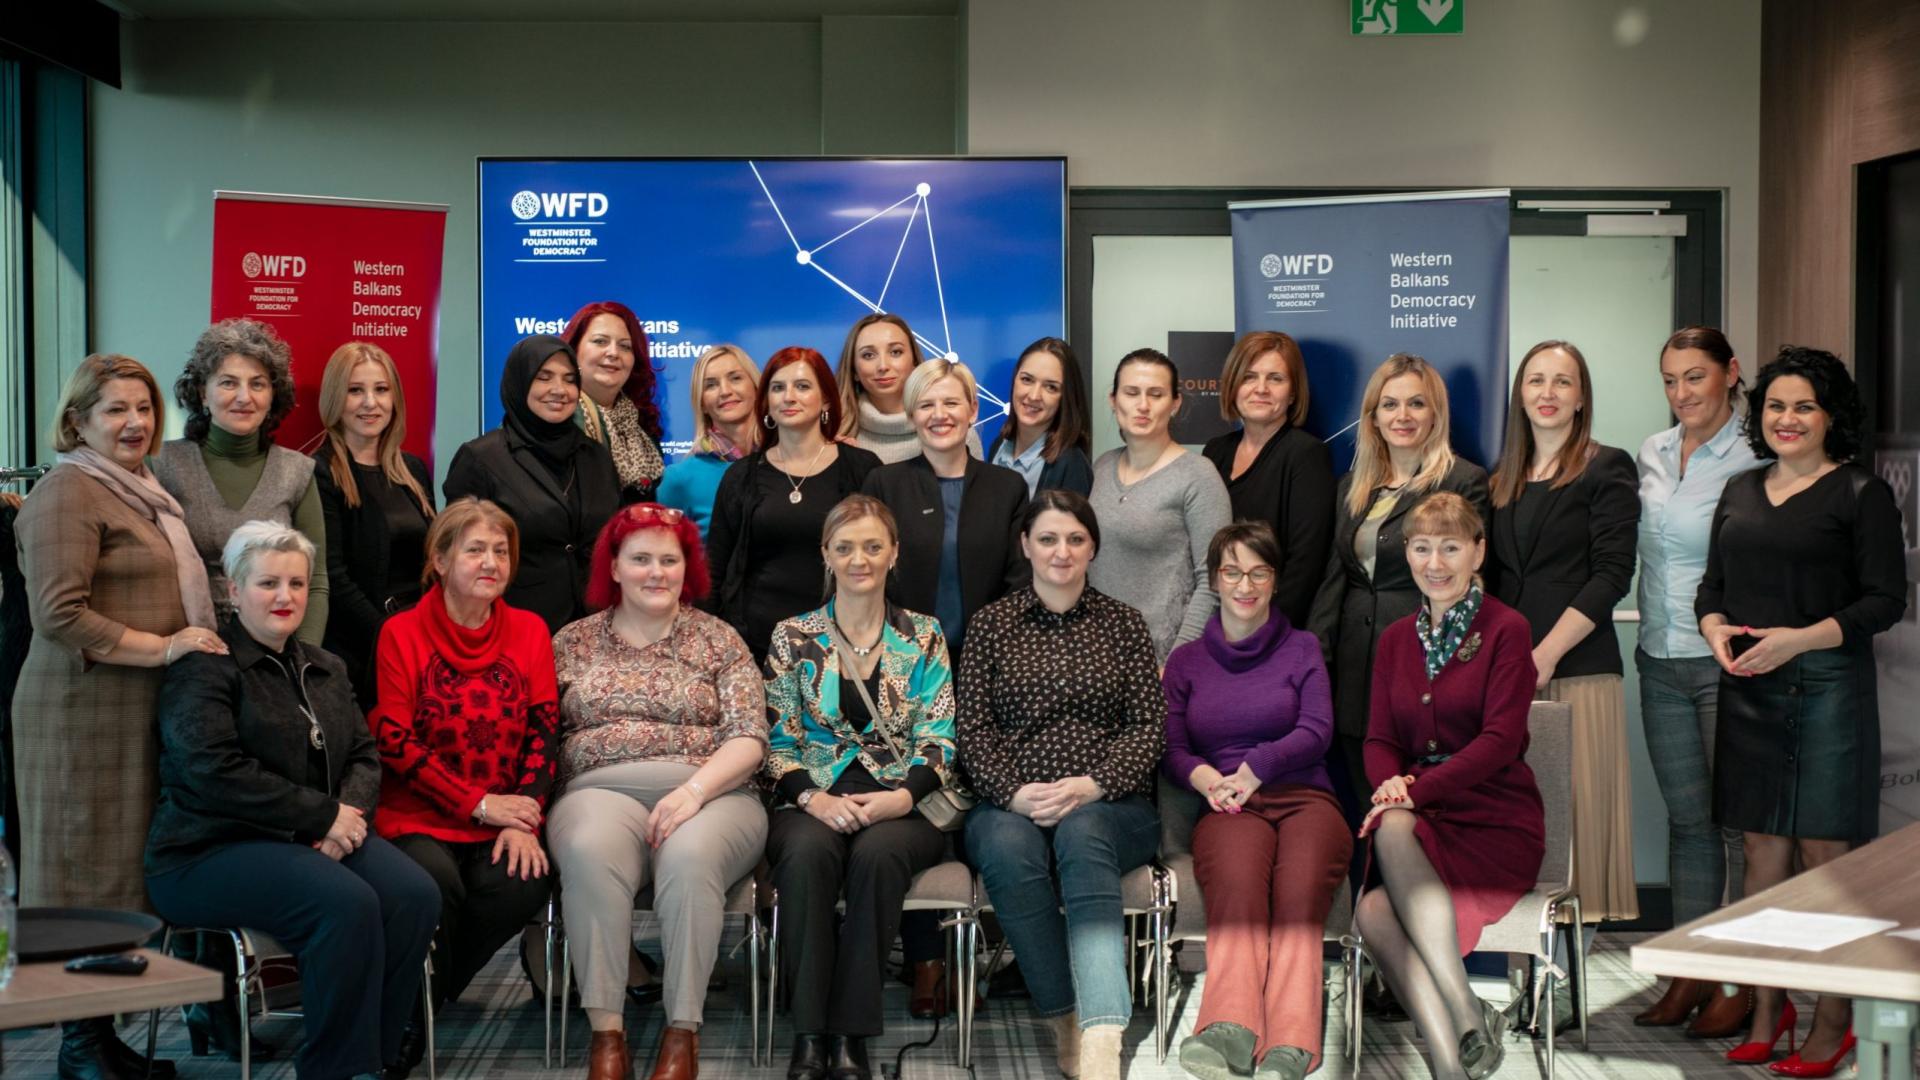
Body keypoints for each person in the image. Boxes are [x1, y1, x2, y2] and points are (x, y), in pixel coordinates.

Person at [146, 520, 439, 1080]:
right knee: (345, 902)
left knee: (414, 895)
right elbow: (213, 771)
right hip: (206, 851)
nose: (285, 597)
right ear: (234, 591)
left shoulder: (326, 666)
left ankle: (374, 1056)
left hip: (311, 837)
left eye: (298, 584)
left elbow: (363, 755)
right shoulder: (205, 667)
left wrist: (344, 820)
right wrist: (323, 816)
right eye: (268, 584)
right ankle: (334, 1068)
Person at [1697, 346, 1907, 1076]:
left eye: (1804, 407)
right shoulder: (1740, 490)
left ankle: (1834, 1021)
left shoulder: (1859, 494)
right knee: (1762, 856)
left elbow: (1885, 602)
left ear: (1830, 418)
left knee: (1825, 860)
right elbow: (1711, 590)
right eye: (1776, 406)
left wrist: (1797, 642)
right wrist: (1714, 629)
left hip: (1827, 693)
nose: (1787, 419)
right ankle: (1766, 1007)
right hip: (1749, 689)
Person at [13, 354, 224, 1078]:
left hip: (133, 707)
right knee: (77, 875)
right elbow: (58, 614)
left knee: (119, 875)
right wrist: (165, 647)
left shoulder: (141, 490)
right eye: (115, 410)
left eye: (144, 409)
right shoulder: (66, 494)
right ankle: (77, 1045)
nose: (135, 423)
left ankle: (100, 1037)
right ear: (78, 421)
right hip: (80, 712)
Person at [546, 503, 769, 1080]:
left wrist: (694, 792)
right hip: (597, 791)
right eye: (640, 559)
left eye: (669, 560)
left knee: (690, 857)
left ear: (686, 569)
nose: (656, 572)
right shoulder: (571, 642)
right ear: (614, 567)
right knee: (591, 852)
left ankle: (681, 1030)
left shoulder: (719, 639)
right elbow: (541, 735)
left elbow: (749, 738)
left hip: (714, 793)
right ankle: (607, 1034)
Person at [958, 490, 1166, 1080]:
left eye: (1075, 538)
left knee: (1082, 834)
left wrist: (1093, 785)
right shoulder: (991, 625)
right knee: (1004, 845)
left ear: (1093, 546)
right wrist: (1014, 793)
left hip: (1111, 805)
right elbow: (972, 728)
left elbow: (1148, 728)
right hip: (1010, 802)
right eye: (1047, 538)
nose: (1061, 550)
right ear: (1025, 545)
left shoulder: (1123, 623)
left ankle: (1101, 1039)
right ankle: (1063, 1016)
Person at [763, 495, 956, 1080]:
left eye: (873, 546)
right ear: (826, 554)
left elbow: (941, 738)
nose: (859, 559)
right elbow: (777, 742)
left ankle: (850, 1033)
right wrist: (811, 798)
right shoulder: (792, 637)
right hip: (811, 796)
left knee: (875, 859)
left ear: (894, 553)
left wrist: (903, 797)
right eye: (844, 547)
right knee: (803, 856)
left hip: (902, 800)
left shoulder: (924, 636)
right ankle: (808, 1034)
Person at [1356, 491, 1544, 1080]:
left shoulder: (1507, 629)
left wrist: (1408, 794)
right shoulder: (1394, 639)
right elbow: (1378, 738)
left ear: (1478, 552)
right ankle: (1450, 1058)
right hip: (1423, 815)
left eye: (1450, 546)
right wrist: (1391, 784)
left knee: (1390, 831)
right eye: (1421, 547)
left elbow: (1501, 742)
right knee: (1372, 911)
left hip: (1494, 815)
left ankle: (1464, 1009)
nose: (1434, 562)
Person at [369, 498, 559, 1066]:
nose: (491, 562)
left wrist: (526, 814)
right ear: (440, 559)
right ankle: (409, 1015)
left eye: (501, 551)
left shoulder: (529, 630)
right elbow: (396, 742)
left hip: (504, 813)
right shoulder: (400, 633)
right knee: (435, 883)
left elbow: (543, 733)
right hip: (420, 814)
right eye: (475, 549)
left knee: (524, 883)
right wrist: (479, 805)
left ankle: (424, 994)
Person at [1485, 340, 1641, 1016]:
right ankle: (1523, 983)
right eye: (1536, 380)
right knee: (1525, 829)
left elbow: (1612, 574)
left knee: (1580, 827)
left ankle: (1565, 990)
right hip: (1509, 680)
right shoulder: (1505, 477)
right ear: (1520, 393)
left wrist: (1543, 654)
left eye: (1563, 381)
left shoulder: (1608, 467)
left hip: (1575, 671)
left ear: (1581, 397)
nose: (1548, 392)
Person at [1164, 521, 1350, 1080]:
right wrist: (1207, 780)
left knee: (1297, 896)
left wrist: (1255, 768)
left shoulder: (1302, 647)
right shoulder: (1186, 661)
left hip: (1305, 799)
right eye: (1233, 571)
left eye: (1258, 572)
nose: (1245, 584)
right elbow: (1171, 747)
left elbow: (1317, 728)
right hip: (1226, 804)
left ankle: (1291, 1042)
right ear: (1216, 580)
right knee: (1240, 888)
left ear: (1274, 579)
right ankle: (1230, 1029)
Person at [1631, 326, 1761, 1035]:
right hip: (1658, 657)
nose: (1683, 394)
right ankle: (1688, 974)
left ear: (1730, 374)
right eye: (1671, 380)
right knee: (1689, 828)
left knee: (1737, 830)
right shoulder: (1652, 452)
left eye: (1696, 378)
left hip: (1729, 665)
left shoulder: (1757, 455)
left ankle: (1740, 983)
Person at [1309, 353, 1491, 813]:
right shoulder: (1353, 485)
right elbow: (1336, 577)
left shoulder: (1462, 481)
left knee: (1416, 804)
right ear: (1372, 417)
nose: (1402, 416)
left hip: (1422, 666)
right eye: (1389, 405)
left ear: (1435, 414)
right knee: (1358, 801)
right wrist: (1315, 658)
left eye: (1416, 404)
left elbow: (1465, 582)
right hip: (1352, 669)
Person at [153, 318, 329, 644]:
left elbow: (315, 579)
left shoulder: (298, 472)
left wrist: (301, 662)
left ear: (273, 396)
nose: (244, 397)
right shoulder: (162, 465)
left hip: (273, 656)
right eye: (229, 383)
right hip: (186, 651)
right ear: (202, 393)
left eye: (258, 384)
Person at [707, 347, 882, 662]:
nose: (788, 397)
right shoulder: (741, 476)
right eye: (778, 387)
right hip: (755, 649)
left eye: (802, 386)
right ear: (767, 403)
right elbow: (715, 569)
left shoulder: (863, 468)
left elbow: (882, 557)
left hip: (844, 648)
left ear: (826, 399)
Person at [444, 335, 622, 633]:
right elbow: (461, 559)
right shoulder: (480, 459)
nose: (559, 390)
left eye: (569, 379)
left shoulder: (596, 456)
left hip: (598, 631)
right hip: (513, 632)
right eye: (544, 377)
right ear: (519, 382)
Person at [862, 358, 1028, 658]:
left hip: (988, 658)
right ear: (911, 416)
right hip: (900, 657)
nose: (940, 415)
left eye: (951, 403)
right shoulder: (884, 484)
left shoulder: (1008, 488)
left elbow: (1019, 580)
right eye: (926, 405)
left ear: (973, 410)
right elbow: (868, 575)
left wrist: (993, 643)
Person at [1087, 348, 1232, 666]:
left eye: (1156, 394)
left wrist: (1176, 664)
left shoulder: (1198, 476)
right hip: (1095, 658)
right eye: (1131, 393)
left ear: (1175, 403)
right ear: (1114, 400)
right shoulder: (1100, 467)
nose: (1142, 405)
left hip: (1160, 664)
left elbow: (1214, 580)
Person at [311, 342, 436, 709]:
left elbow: (433, 559)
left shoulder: (412, 470)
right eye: (355, 390)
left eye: (381, 390)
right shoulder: (321, 473)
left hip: (422, 638)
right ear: (336, 398)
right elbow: (332, 576)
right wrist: (391, 635)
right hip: (362, 649)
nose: (370, 403)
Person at [1200, 332, 1334, 628]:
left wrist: (1261, 632)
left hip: (1271, 630)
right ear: (1233, 386)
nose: (1261, 389)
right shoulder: (1215, 451)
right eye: (1249, 377)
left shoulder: (1306, 455)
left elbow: (1305, 565)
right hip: (1213, 623)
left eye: (1275, 379)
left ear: (1293, 393)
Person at [833, 313, 981, 464]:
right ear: (854, 370)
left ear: (914, 362)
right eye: (869, 355)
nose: (883, 366)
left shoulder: (955, 430)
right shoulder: (834, 435)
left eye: (895, 352)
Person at [567, 300, 666, 504]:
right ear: (573, 351)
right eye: (600, 341)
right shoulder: (556, 422)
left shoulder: (643, 431)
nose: (613, 353)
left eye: (625, 346)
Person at [657, 344, 761, 537]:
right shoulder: (680, 479)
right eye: (711, 385)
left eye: (735, 378)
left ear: (756, 388)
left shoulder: (786, 463)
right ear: (702, 403)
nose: (725, 391)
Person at [985, 336, 1094, 497]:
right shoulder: (999, 446)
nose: (1034, 396)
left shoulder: (1072, 465)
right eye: (1027, 380)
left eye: (1051, 387)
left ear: (1066, 397)